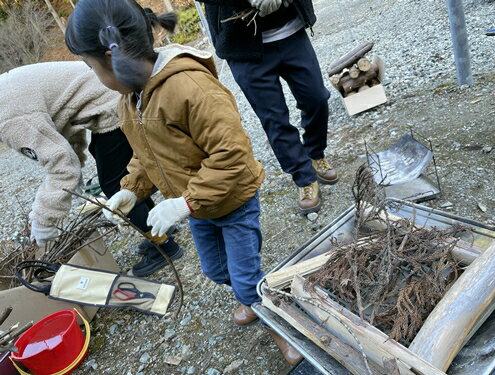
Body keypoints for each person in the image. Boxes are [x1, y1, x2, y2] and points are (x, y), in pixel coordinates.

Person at [64, 0, 302, 365]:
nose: (93, 75)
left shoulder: (190, 87)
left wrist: (184, 203)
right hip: (197, 207)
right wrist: (131, 189)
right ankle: (252, 294)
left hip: (232, 199)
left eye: (90, 66)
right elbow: (147, 155)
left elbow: (232, 157)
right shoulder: (130, 100)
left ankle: (284, 326)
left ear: (111, 59)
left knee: (245, 278)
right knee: (215, 270)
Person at [0, 61, 183, 277]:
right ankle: (158, 225)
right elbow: (66, 116)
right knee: (119, 173)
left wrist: (43, 220)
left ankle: (164, 247)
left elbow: (63, 167)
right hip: (109, 95)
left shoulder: (9, 119)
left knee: (114, 185)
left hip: (113, 101)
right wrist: (73, 156)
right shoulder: (6, 96)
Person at [196, 0, 338, 215]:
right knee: (275, 119)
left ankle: (315, 153)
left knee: (316, 98)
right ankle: (304, 178)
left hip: (291, 31)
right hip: (242, 46)